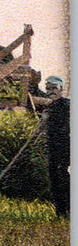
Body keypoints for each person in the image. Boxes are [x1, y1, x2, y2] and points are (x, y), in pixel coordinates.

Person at [44, 75, 69, 217]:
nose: (51, 91)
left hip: (66, 148)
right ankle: (60, 212)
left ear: (61, 89)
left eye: (54, 88)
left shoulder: (67, 105)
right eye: (48, 88)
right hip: (53, 147)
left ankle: (69, 211)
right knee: (54, 179)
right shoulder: (51, 107)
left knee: (64, 178)